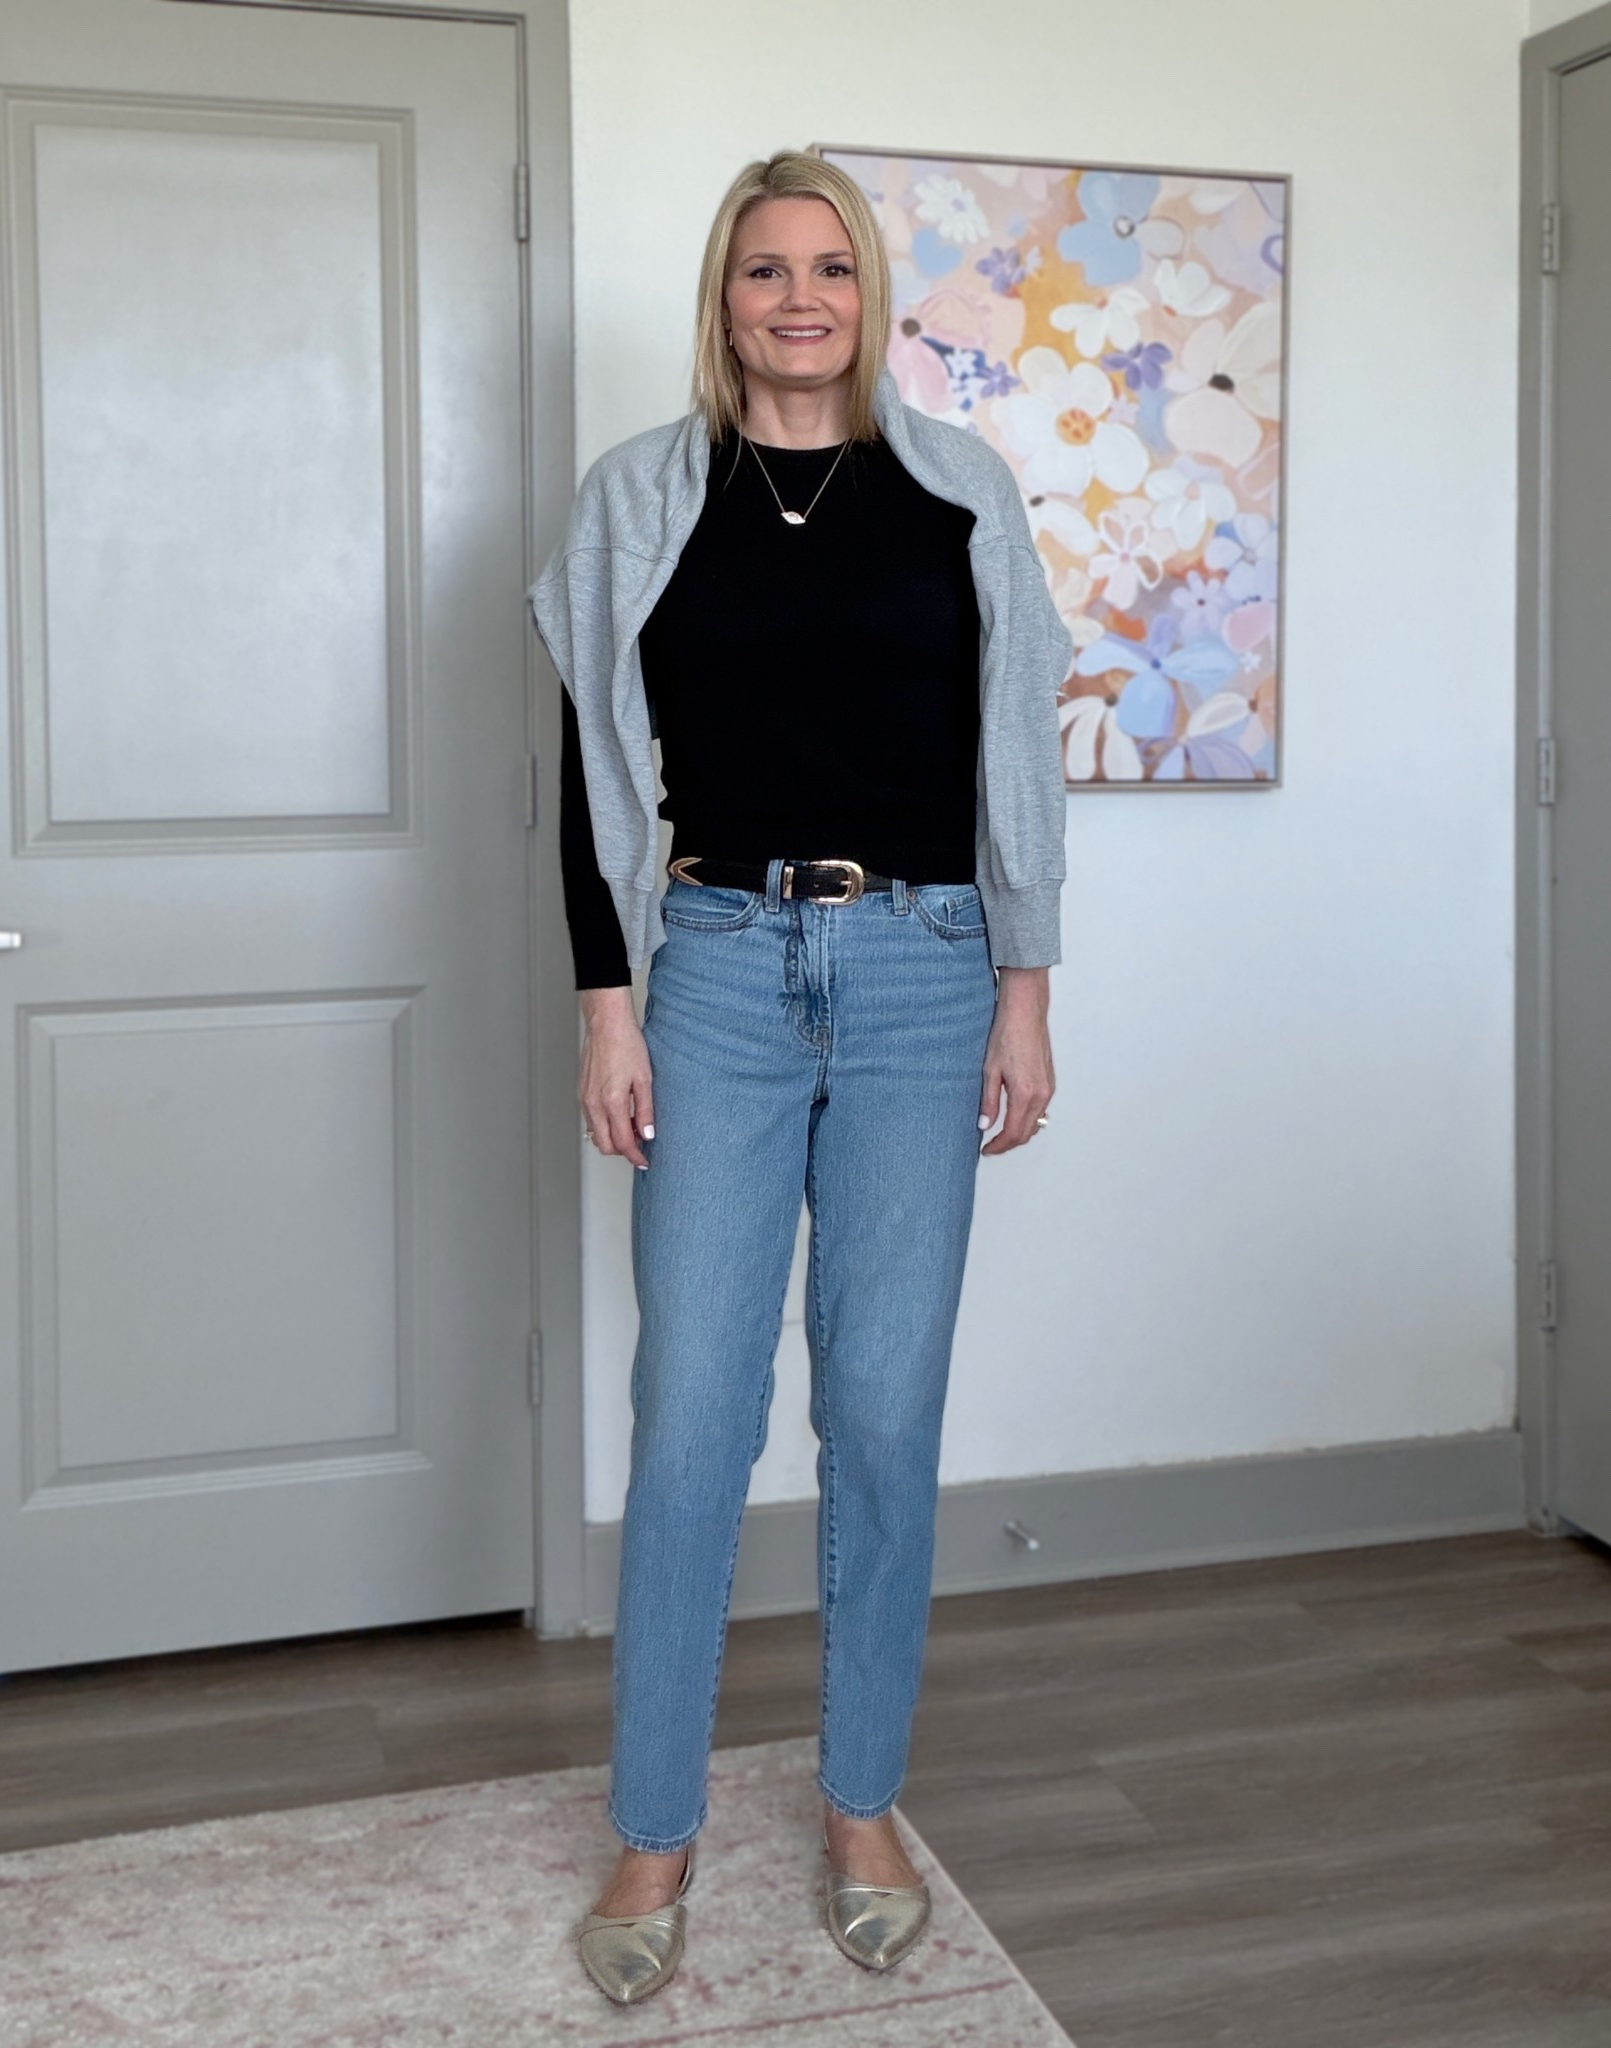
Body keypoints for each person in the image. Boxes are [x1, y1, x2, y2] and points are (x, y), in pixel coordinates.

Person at [529, 148, 1071, 2006]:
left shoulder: (958, 495)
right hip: (718, 973)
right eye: (764, 270)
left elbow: (1017, 768)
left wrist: (1026, 987)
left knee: (888, 1413)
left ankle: (860, 1802)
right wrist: (611, 1004)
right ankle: (654, 1827)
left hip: (925, 971)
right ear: (725, 296)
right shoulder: (636, 501)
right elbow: (588, 774)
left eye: (828, 267)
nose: (797, 299)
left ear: (869, 292)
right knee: (690, 1415)